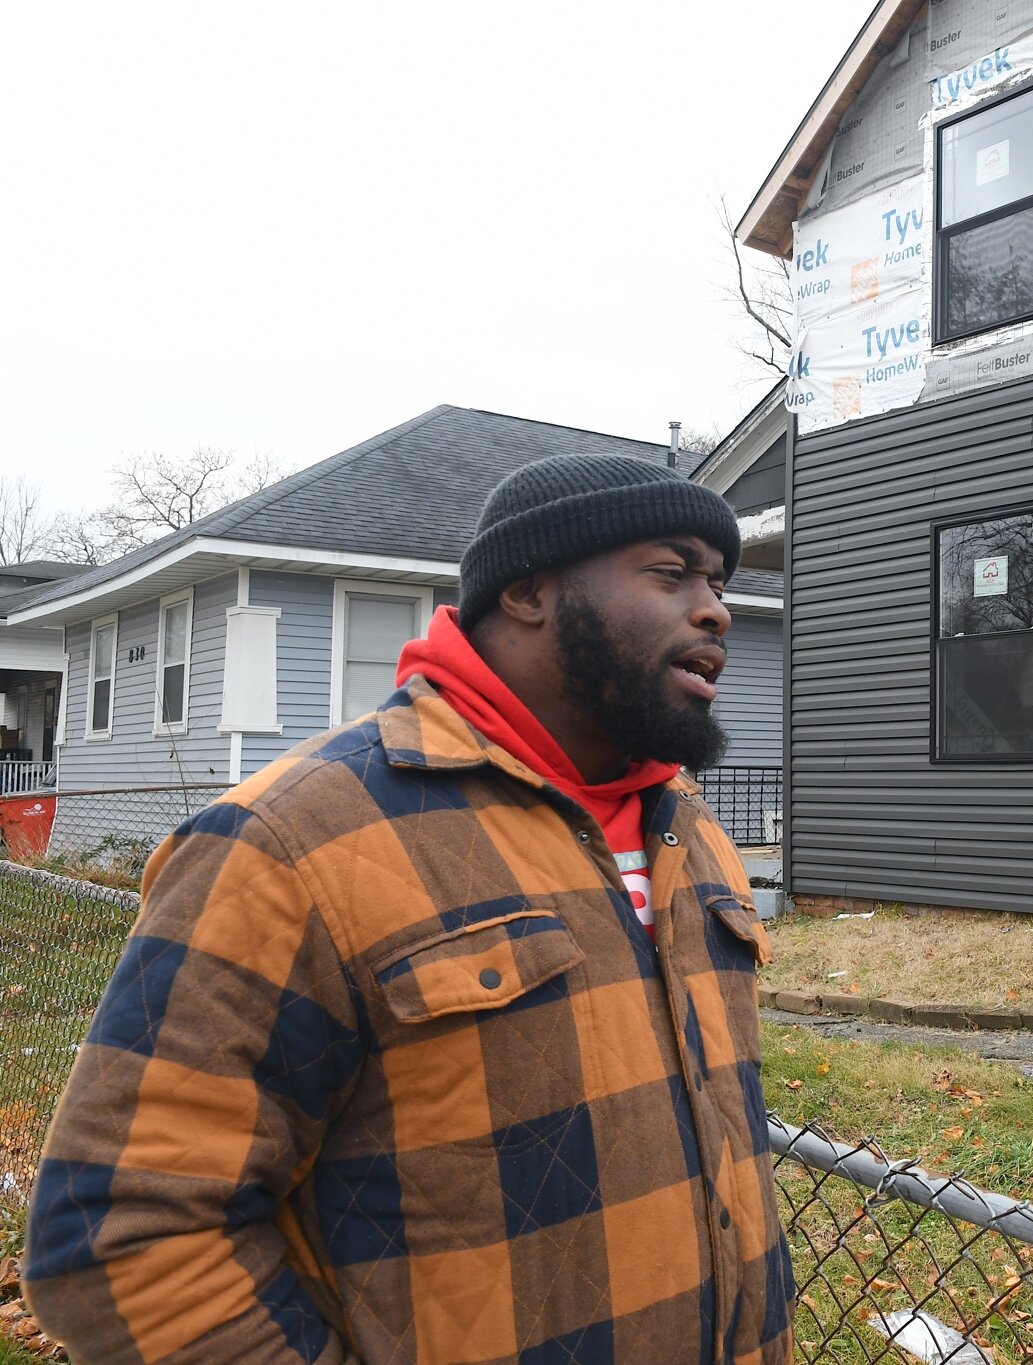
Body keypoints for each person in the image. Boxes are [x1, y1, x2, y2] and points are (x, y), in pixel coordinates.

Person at [25, 455, 793, 1364]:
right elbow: (123, 1235)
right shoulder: (292, 840)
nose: (715, 609)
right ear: (528, 591)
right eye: (673, 574)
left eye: (717, 581)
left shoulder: (690, 831)